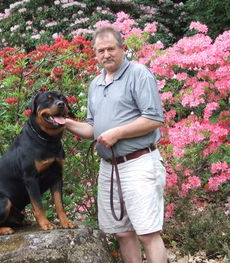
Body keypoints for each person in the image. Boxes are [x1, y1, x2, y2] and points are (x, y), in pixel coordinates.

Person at [65, 26, 167, 263]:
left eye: (111, 48)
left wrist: (118, 133)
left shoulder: (139, 74)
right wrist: (66, 124)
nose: (106, 54)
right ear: (95, 53)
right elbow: (93, 129)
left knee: (148, 233)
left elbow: (153, 118)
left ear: (123, 49)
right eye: (100, 50)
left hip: (139, 163)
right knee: (123, 233)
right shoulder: (95, 84)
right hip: (109, 168)